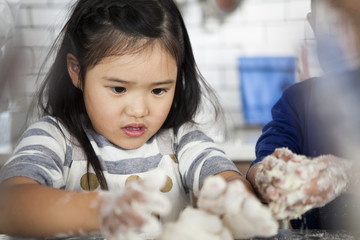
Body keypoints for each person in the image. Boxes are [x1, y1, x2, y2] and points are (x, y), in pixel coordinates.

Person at [0, 0, 275, 239]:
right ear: (77, 71)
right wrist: (103, 210)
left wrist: (236, 200)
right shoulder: (54, 139)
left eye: (158, 90)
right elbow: (8, 206)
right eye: (118, 89)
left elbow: (223, 177)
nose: (139, 110)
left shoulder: (182, 141)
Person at [247, 0, 360, 232]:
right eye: (332, 25)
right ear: (314, 25)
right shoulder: (298, 101)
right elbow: (262, 164)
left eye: (355, 23)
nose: (345, 39)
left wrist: (347, 174)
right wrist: (269, 176)